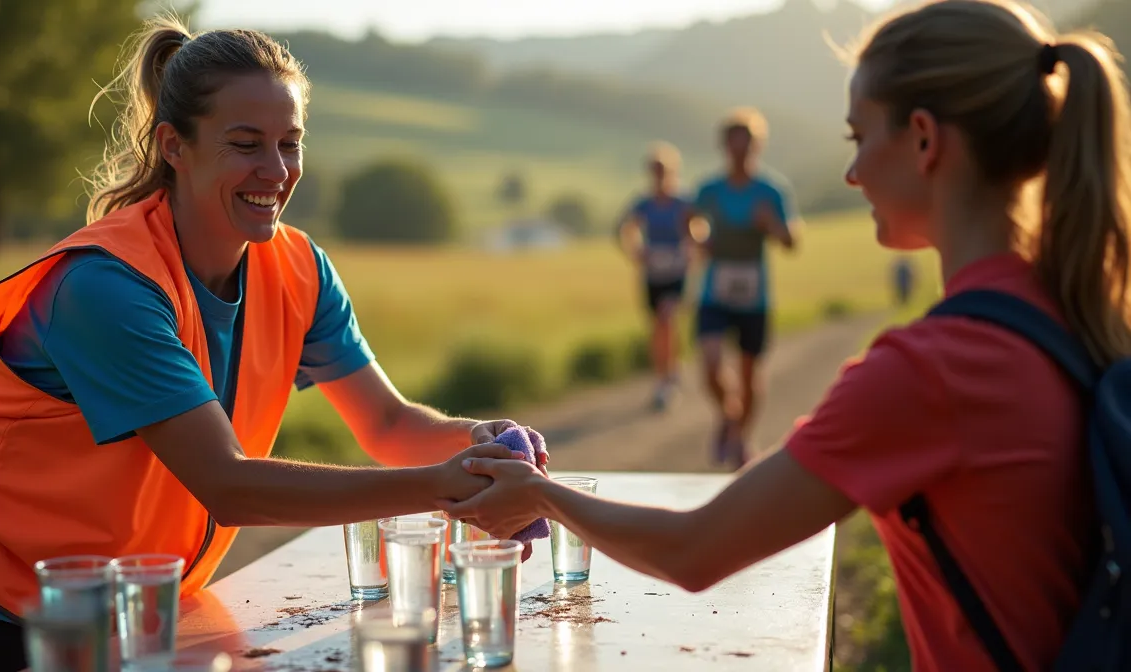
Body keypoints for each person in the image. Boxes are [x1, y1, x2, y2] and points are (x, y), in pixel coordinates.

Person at [443, 1, 1124, 669]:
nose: (853, 174)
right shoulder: (1080, 311)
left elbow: (694, 550)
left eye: (859, 138)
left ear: (924, 138)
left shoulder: (933, 370)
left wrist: (539, 495)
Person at [0, 17, 537, 672]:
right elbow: (228, 484)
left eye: (291, 143)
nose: (277, 170)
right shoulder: (105, 285)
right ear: (174, 146)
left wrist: (477, 442)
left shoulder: (299, 268)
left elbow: (389, 421)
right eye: (246, 144)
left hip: (134, 597)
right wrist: (443, 489)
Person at [688, 107, 801, 469]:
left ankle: (741, 437)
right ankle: (730, 416)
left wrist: (771, 225)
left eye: (747, 143)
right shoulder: (710, 189)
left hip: (755, 295)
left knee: (751, 373)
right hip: (714, 293)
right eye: (733, 142)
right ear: (724, 146)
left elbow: (791, 241)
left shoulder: (771, 190)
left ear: (757, 146)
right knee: (709, 365)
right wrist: (699, 239)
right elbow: (687, 220)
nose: (740, 149)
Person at [616, 142, 695, 411]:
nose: (659, 176)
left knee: (667, 318)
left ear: (673, 171)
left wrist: (691, 251)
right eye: (655, 171)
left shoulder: (683, 202)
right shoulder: (644, 203)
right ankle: (667, 372)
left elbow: (697, 232)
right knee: (658, 327)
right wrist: (635, 251)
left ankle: (666, 379)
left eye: (663, 171)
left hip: (677, 272)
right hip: (652, 275)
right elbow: (623, 228)